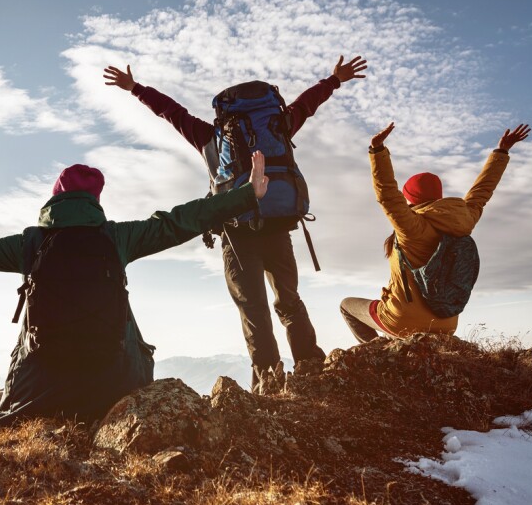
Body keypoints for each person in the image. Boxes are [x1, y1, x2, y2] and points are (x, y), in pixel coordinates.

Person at [0, 152, 270, 430]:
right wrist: (245, 195)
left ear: (56, 197)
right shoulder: (118, 238)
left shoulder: (31, 243)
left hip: (42, 385)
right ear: (94, 200)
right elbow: (182, 220)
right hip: (114, 380)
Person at [102, 56, 368, 389]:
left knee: (253, 310)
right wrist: (333, 80)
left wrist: (135, 89)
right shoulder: (278, 125)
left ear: (223, 114)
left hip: (237, 234)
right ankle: (311, 368)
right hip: (279, 228)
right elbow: (306, 105)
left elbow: (172, 113)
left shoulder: (211, 137)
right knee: (290, 301)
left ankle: (267, 384)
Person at [339, 122, 531, 342]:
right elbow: (482, 191)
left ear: (410, 199)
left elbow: (388, 194)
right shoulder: (464, 219)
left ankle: (376, 353)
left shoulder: (411, 227)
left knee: (346, 305)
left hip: (402, 321)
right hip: (447, 324)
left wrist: (377, 150)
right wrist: (501, 152)